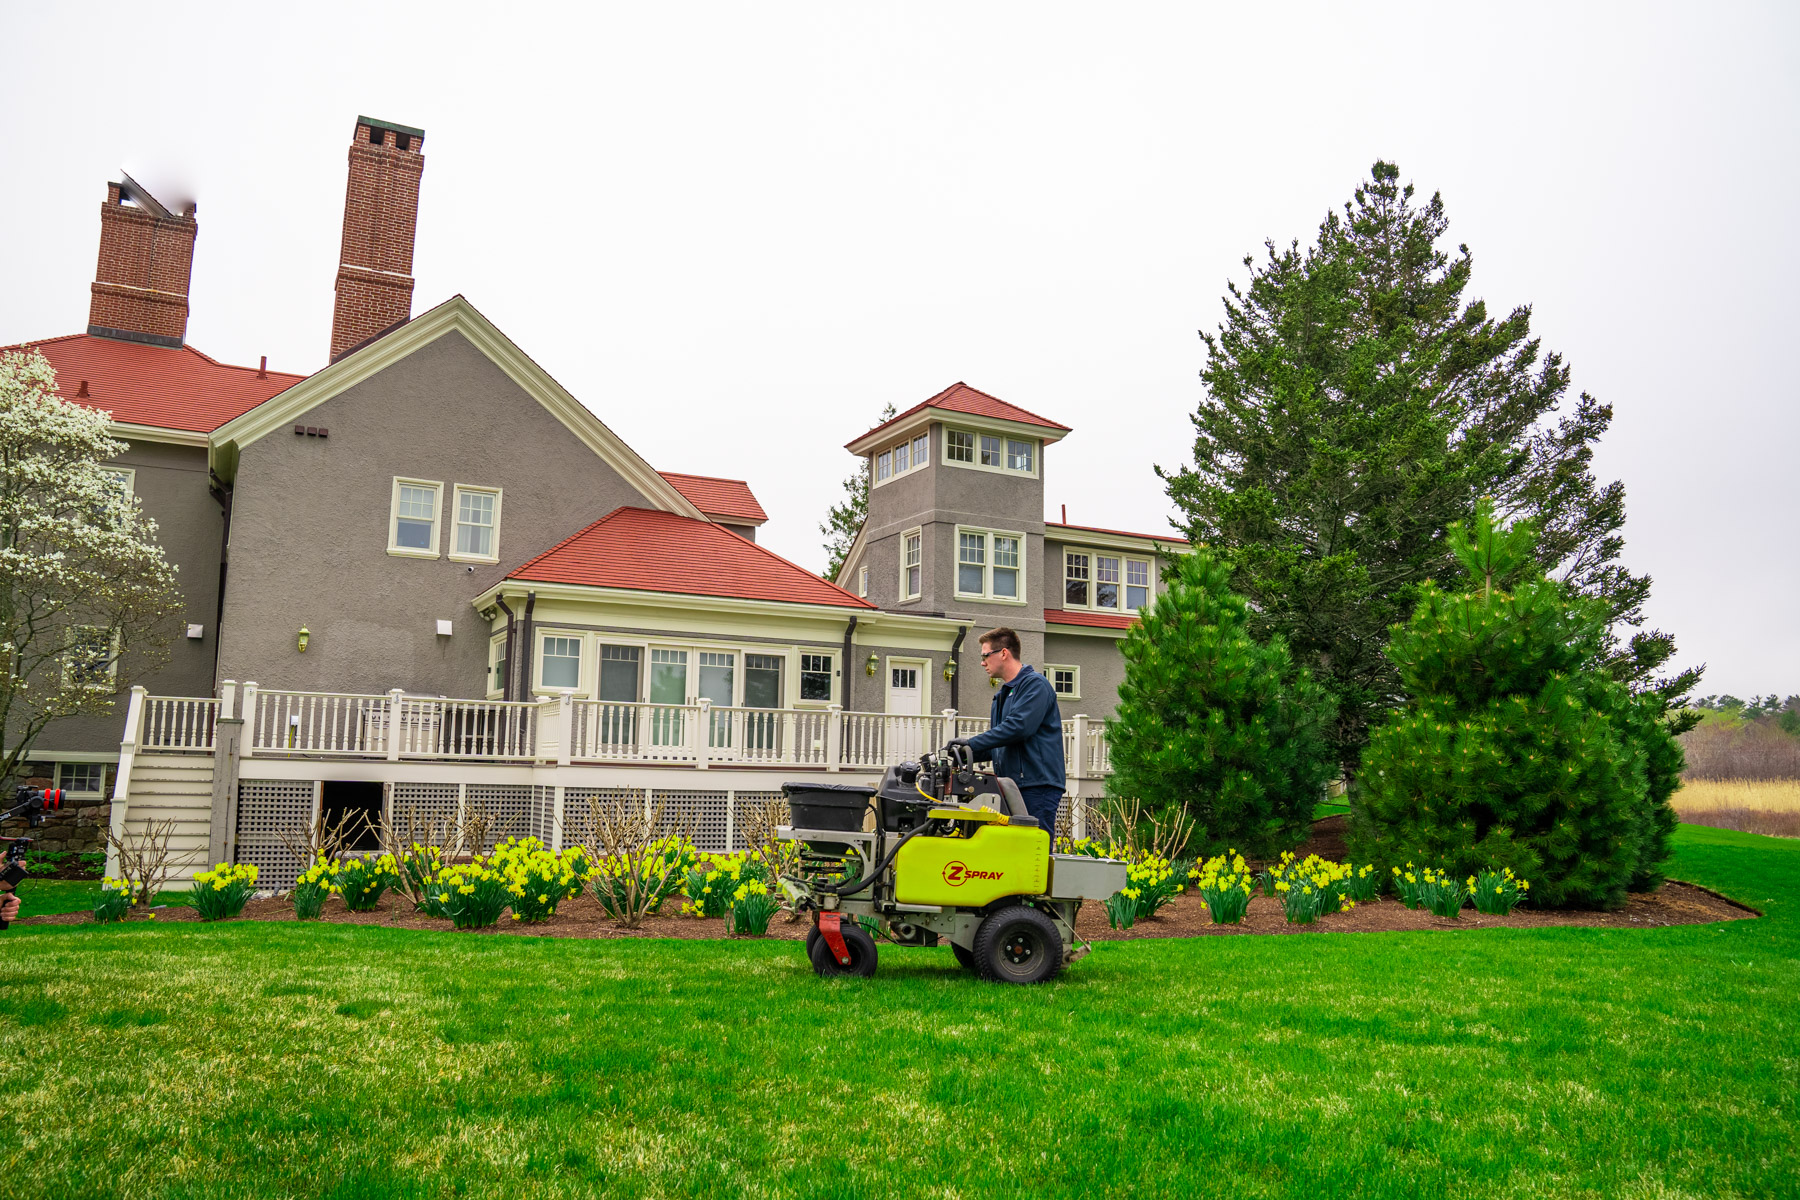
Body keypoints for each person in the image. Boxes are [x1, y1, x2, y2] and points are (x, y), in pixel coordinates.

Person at [946, 627, 1066, 834]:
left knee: (1033, 851)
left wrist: (972, 743)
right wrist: (964, 753)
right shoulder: (1002, 695)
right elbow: (1001, 743)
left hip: (1036, 785)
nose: (982, 662)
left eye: (985, 655)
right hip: (1011, 786)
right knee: (1012, 852)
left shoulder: (1035, 685)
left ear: (1003, 653)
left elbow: (1018, 728)